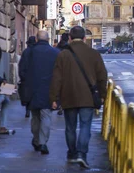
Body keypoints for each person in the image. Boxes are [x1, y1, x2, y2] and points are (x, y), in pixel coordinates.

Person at [50, 26, 107, 169]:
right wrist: (102, 95)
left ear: (69, 38)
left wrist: (54, 98)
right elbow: (102, 77)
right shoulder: (94, 54)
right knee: (85, 126)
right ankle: (82, 154)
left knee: (70, 127)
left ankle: (71, 153)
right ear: (84, 38)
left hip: (68, 96)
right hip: (87, 97)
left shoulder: (63, 54)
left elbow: (56, 78)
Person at [19, 30, 60, 154]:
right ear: (48, 39)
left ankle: (36, 140)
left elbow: (22, 71)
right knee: (46, 116)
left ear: (36, 39)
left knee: (35, 117)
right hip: (48, 90)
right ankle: (43, 143)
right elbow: (59, 74)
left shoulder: (28, 52)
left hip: (31, 90)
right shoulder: (56, 53)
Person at [21, 36, 37, 118]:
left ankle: (27, 110)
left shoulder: (25, 52)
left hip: (26, 76)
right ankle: (34, 110)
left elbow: (22, 64)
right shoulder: (37, 51)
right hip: (35, 76)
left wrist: (22, 75)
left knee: (27, 94)